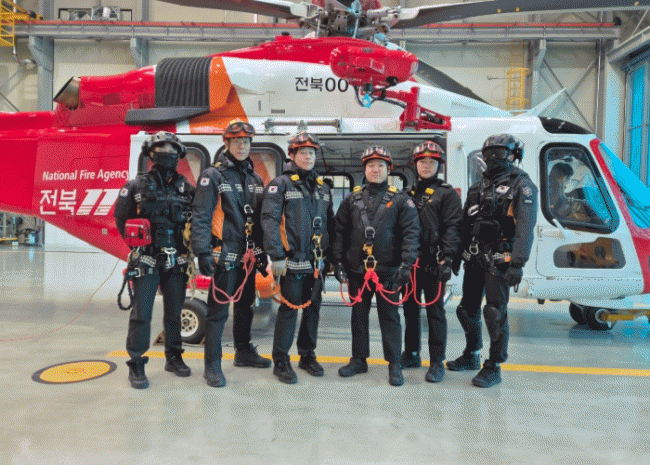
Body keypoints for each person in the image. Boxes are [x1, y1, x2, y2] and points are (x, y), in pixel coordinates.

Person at [449, 134, 538, 388]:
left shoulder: (522, 185)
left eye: (500, 152)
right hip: (475, 255)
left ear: (513, 155)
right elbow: (465, 224)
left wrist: (517, 263)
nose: (493, 158)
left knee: (494, 312)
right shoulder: (477, 186)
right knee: (466, 309)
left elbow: (525, 228)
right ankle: (471, 354)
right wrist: (456, 254)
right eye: (489, 153)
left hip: (501, 257)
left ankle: (494, 366)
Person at [191, 120, 271, 388]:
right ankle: (212, 366)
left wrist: (261, 252)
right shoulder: (213, 176)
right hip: (223, 256)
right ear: (226, 143)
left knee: (246, 306)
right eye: (236, 141)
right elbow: (201, 215)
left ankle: (243, 352)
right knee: (218, 313)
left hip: (247, 258)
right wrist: (202, 251)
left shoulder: (255, 178)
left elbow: (258, 220)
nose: (241, 146)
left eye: (246, 142)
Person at [333, 146, 420, 386]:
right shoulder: (351, 200)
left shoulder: (401, 200)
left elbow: (411, 233)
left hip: (388, 270)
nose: (375, 169)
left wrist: (406, 264)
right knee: (358, 317)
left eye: (380, 165)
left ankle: (394, 364)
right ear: (364, 170)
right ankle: (359, 360)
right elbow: (340, 231)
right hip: (357, 271)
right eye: (371, 165)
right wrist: (337, 261)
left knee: (390, 317)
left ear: (388, 170)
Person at [114, 131, 195, 389]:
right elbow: (121, 219)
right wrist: (137, 249)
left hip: (176, 262)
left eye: (172, 150)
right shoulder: (134, 186)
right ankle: (136, 364)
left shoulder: (188, 189)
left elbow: (197, 222)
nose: (166, 154)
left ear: (179, 155)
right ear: (150, 153)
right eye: (161, 149)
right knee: (142, 314)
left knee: (174, 314)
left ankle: (174, 357)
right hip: (146, 260)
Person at [260, 132, 335, 384]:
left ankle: (307, 355)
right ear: (291, 155)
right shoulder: (280, 184)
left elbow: (330, 225)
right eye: (302, 152)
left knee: (313, 310)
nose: (307, 157)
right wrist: (276, 255)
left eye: (311, 153)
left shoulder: (323, 188)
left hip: (316, 261)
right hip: (291, 260)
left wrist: (331, 257)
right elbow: (269, 220)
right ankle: (281, 359)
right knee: (289, 310)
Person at [401, 141, 462, 383]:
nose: (426, 166)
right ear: (415, 165)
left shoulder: (447, 194)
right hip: (410, 262)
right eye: (422, 162)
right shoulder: (406, 194)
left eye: (431, 162)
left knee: (435, 312)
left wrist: (447, 259)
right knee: (409, 309)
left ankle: (437, 362)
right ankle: (411, 353)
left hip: (434, 262)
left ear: (439, 166)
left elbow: (453, 228)